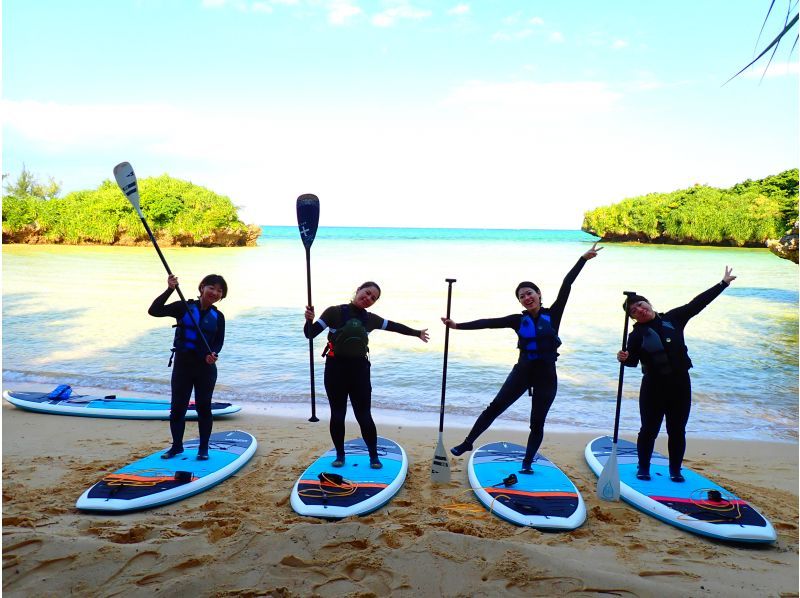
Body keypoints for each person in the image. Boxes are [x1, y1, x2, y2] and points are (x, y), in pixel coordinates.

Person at [442, 242, 602, 473]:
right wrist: (457, 326)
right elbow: (487, 323)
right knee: (494, 408)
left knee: (537, 422)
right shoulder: (517, 320)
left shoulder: (553, 314)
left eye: (529, 293)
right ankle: (468, 442)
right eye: (521, 296)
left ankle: (527, 462)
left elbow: (567, 284)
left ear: (538, 295)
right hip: (523, 372)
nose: (526, 297)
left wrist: (583, 259)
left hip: (546, 375)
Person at [616, 266, 736, 483]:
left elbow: (697, 304)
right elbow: (632, 363)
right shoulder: (635, 336)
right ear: (632, 317)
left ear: (649, 304)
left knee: (677, 430)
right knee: (648, 430)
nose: (640, 310)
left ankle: (675, 470)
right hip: (652, 387)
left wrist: (723, 283)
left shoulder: (673, 318)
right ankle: (643, 468)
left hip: (680, 385)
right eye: (634, 311)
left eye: (641, 305)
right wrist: (623, 358)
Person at [304, 282, 429, 469]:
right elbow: (310, 334)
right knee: (338, 415)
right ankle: (340, 455)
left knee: (364, 415)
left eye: (373, 298)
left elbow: (394, 326)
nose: (368, 298)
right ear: (358, 290)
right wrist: (309, 319)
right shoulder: (333, 312)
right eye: (367, 293)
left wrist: (416, 333)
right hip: (335, 370)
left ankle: (373, 456)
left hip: (359, 371)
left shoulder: (371, 319)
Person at [149, 273, 227, 460]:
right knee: (178, 408)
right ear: (202, 288)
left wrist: (213, 354)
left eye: (219, 291)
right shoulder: (183, 307)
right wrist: (170, 289)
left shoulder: (219, 316)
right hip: (183, 366)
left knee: (203, 408)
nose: (215, 292)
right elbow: (154, 310)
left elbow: (218, 342)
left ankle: (203, 449)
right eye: (212, 288)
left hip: (205, 369)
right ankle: (176, 447)